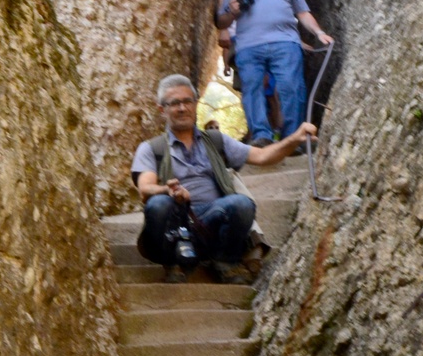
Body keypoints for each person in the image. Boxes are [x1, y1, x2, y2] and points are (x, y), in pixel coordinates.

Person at [131, 74, 317, 284]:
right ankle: (172, 262)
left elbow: (263, 156)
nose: (182, 108)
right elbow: (145, 188)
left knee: (241, 204)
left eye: (187, 101)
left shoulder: (216, 141)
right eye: (174, 103)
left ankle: (225, 261)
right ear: (162, 109)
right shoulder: (151, 148)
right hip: (175, 223)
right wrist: (167, 191)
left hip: (212, 219)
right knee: (157, 204)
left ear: (195, 104)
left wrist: (295, 138)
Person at [217, 0, 333, 150]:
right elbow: (221, 20)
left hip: (285, 42)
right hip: (248, 45)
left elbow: (302, 12)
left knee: (292, 87)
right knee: (252, 89)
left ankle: (293, 139)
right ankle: (261, 136)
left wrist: (319, 32)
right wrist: (232, 12)